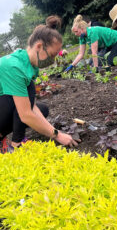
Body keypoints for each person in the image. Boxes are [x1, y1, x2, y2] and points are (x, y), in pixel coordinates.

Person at [0, 24, 78, 153]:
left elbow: (31, 106)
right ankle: (15, 145)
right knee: (28, 91)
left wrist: (53, 131)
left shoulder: (28, 63)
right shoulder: (14, 67)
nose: (53, 60)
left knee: (42, 109)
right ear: (39, 46)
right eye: (52, 55)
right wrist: (57, 135)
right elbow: (25, 114)